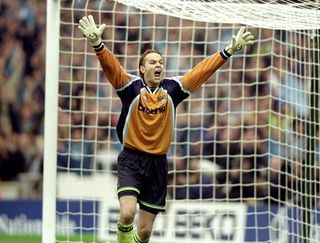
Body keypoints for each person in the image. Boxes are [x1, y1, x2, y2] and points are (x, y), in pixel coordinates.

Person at [78, 15, 254, 243]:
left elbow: (201, 72)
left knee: (144, 233)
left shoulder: (173, 90)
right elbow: (111, 66)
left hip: (158, 164)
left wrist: (228, 51)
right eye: (152, 62)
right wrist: (97, 44)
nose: (158, 65)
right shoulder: (130, 87)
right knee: (127, 213)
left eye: (160, 61)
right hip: (131, 159)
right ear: (142, 68)